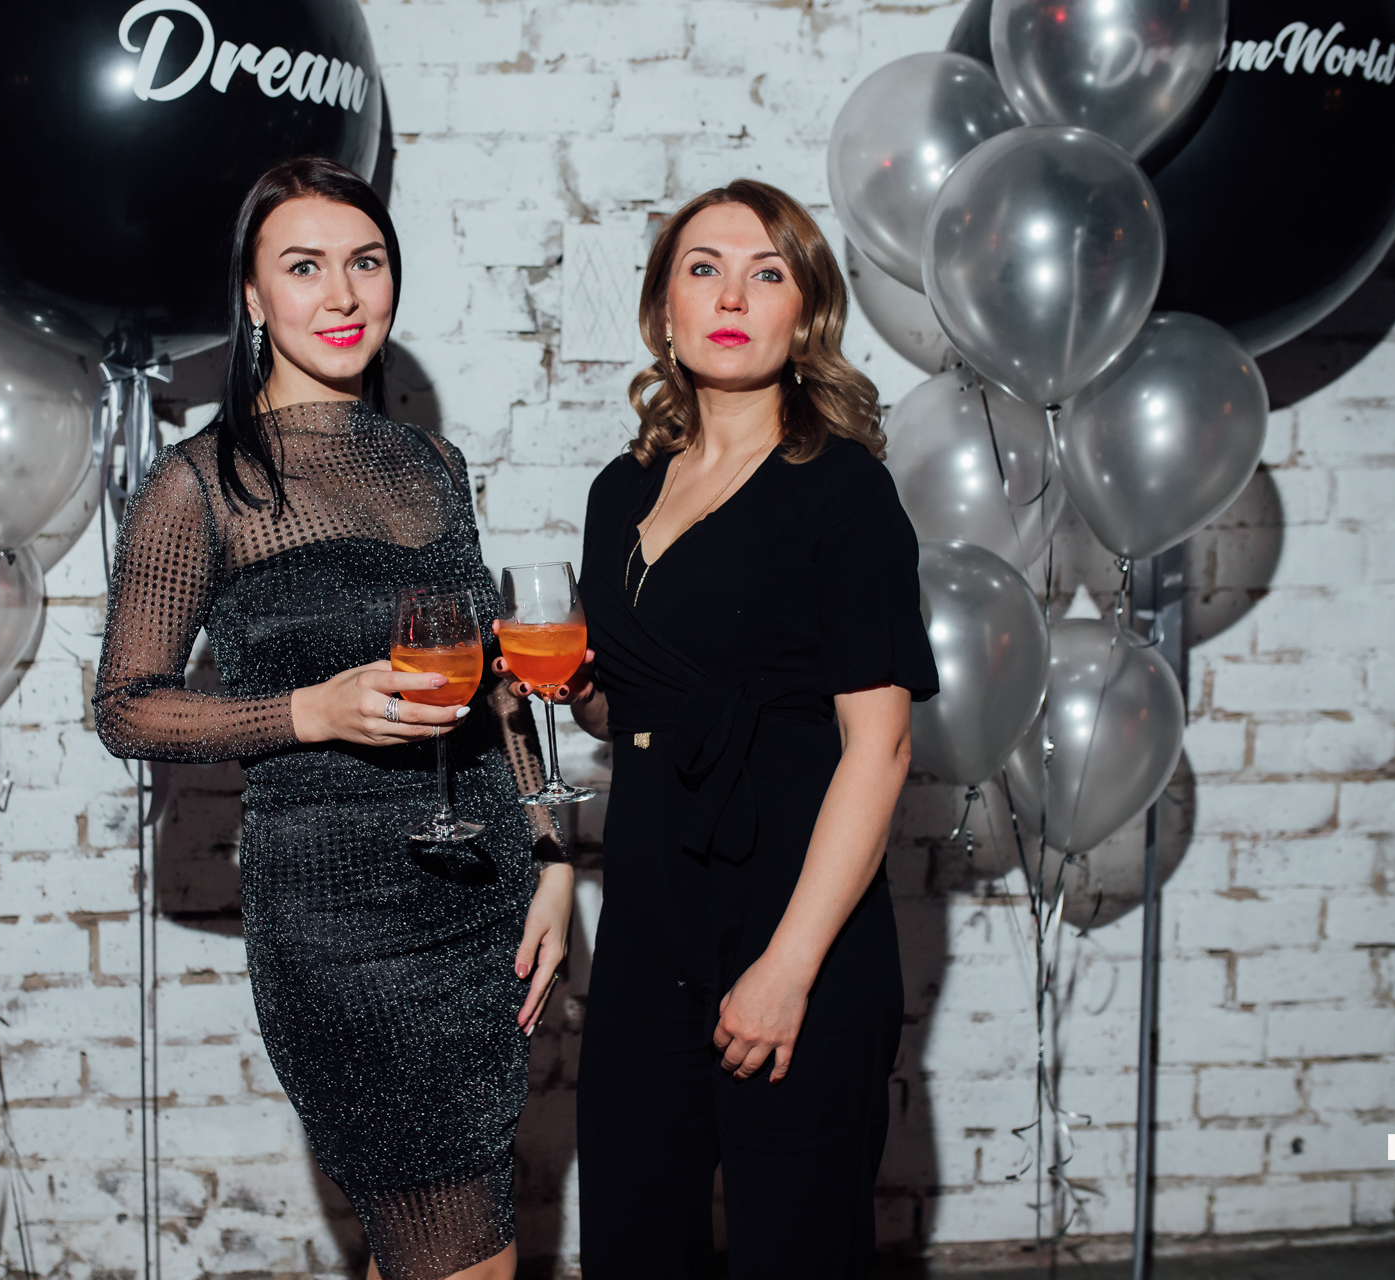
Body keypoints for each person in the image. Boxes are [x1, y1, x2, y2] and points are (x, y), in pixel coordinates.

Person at [93, 156, 574, 1280]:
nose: (344, 295)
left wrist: (550, 850)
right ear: (254, 296)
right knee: (464, 1253)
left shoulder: (433, 463)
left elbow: (496, 683)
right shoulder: (200, 483)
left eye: (366, 262)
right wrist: (308, 710)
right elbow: (126, 709)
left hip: (481, 905)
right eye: (304, 267)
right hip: (339, 928)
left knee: (423, 1248)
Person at [517, 180, 938, 1276]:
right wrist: (577, 689)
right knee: (633, 1240)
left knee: (794, 1248)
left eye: (768, 272)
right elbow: (635, 710)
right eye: (703, 268)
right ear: (665, 308)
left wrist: (787, 967)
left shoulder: (845, 492)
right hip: (651, 912)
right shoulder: (621, 490)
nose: (733, 295)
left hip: (797, 915)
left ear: (807, 314)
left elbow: (882, 748)